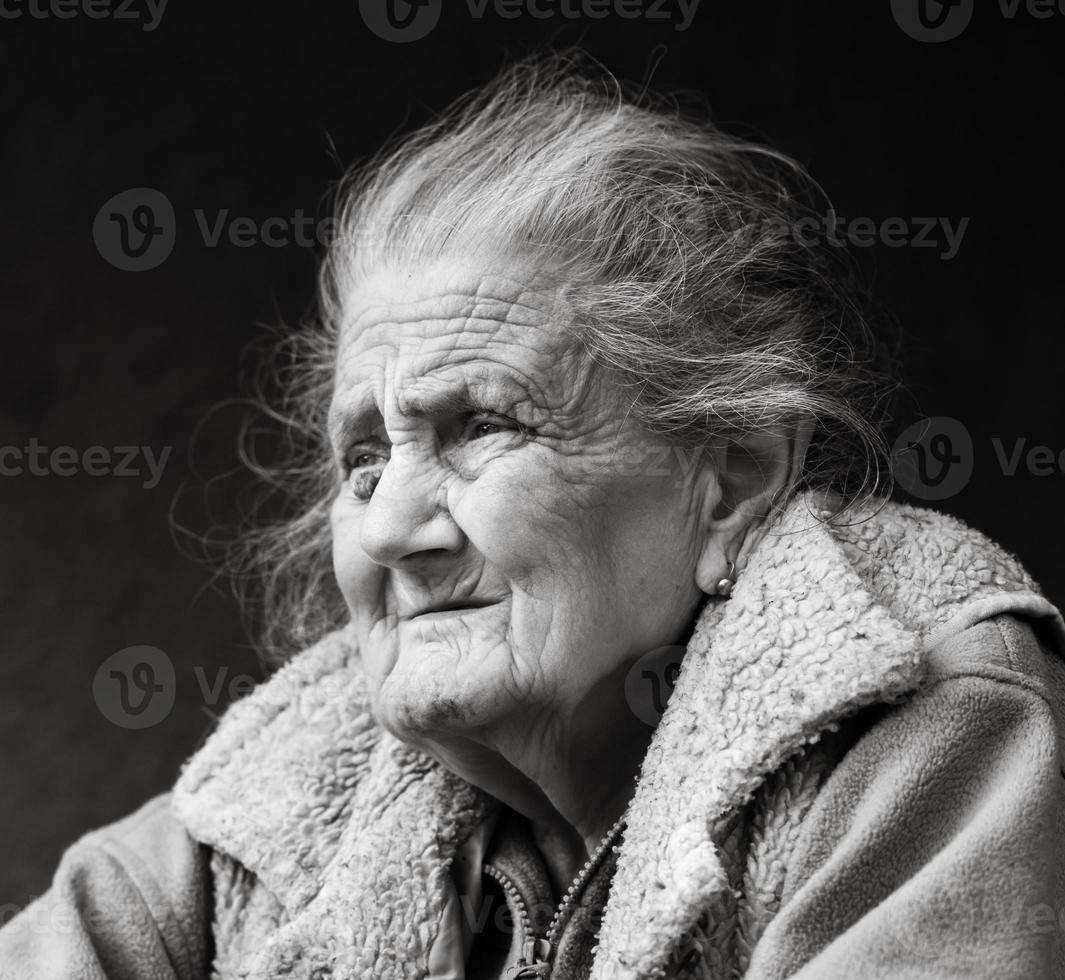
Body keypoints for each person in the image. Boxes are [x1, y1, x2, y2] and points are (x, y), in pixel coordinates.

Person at [3, 54, 1063, 980]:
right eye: (364, 460)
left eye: (478, 427)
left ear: (731, 480)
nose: (387, 530)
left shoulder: (917, 707)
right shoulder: (275, 804)